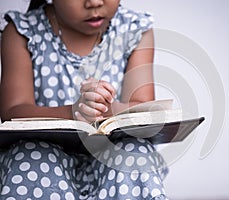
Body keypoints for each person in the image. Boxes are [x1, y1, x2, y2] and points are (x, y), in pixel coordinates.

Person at [0, 0, 169, 199]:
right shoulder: (22, 31)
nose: (95, 2)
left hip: (111, 153)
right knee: (32, 158)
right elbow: (13, 110)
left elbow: (141, 105)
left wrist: (106, 110)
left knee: (135, 153)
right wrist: (74, 113)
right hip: (44, 156)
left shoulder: (134, 30)